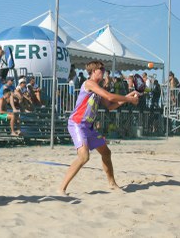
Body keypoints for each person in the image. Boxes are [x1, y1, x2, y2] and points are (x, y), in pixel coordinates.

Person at [58, 61, 139, 195]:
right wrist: (129, 99)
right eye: (100, 69)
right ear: (93, 71)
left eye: (103, 69)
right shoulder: (89, 83)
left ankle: (112, 184)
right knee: (84, 157)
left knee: (106, 153)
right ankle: (62, 188)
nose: (103, 70)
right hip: (77, 124)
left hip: (88, 127)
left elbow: (110, 105)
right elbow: (110, 96)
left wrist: (126, 98)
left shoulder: (97, 87)